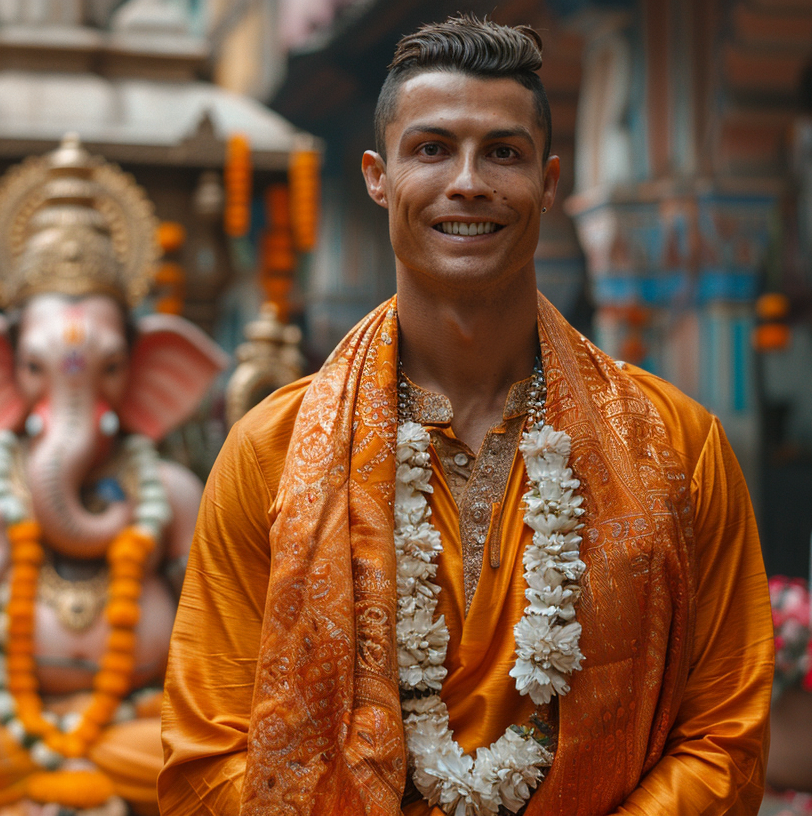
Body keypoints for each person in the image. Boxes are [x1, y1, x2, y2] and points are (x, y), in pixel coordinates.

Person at [159, 16, 773, 816]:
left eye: (504, 153)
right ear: (378, 177)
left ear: (549, 184)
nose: (469, 182)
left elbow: (726, 738)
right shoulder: (270, 452)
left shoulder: (678, 445)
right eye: (433, 148)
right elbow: (207, 753)